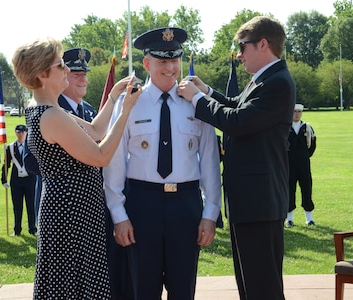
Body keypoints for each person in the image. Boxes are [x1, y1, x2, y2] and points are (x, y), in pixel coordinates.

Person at [12, 37, 141, 299]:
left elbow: (95, 130)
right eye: (61, 66)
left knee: (70, 284)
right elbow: (101, 155)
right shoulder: (53, 115)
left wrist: (114, 97)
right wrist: (126, 110)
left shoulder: (44, 110)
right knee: (74, 286)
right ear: (43, 75)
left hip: (69, 208)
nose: (68, 71)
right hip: (72, 212)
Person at [178, 16, 295, 300]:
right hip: (251, 201)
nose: (239, 55)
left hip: (260, 203)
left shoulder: (277, 81)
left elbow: (238, 121)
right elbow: (236, 106)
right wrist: (207, 91)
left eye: (243, 47)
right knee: (250, 285)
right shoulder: (266, 78)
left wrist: (196, 99)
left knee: (262, 287)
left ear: (263, 44)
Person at [103, 27, 221, 300]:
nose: (170, 68)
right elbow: (115, 162)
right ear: (146, 63)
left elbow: (210, 161)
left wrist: (210, 212)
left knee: (183, 290)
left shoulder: (196, 103)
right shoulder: (129, 102)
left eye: (174, 60)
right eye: (162, 61)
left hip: (186, 206)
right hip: (142, 205)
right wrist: (119, 215)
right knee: (142, 290)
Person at [1, 124, 37, 236]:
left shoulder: (32, 146)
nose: (20, 134)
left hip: (30, 180)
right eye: (18, 132)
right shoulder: (10, 147)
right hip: (16, 181)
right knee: (17, 207)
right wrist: (4, 180)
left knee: (31, 206)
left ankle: (32, 229)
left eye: (22, 132)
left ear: (26, 133)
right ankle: (17, 230)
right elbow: (6, 165)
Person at [285, 103, 316, 227]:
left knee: (307, 190)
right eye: (294, 111)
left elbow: (312, 146)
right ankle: (289, 219)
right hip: (289, 166)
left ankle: (309, 218)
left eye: (299, 111)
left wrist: (304, 156)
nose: (296, 114)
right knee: (289, 191)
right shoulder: (285, 127)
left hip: (304, 166)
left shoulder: (307, 127)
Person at [58, 47, 97, 121]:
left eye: (84, 74)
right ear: (63, 76)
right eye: (76, 74)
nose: (83, 79)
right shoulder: (54, 109)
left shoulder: (90, 111)